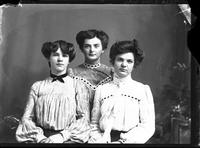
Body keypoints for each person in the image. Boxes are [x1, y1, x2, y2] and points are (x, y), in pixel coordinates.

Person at [15, 40, 90, 143]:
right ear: (49, 58)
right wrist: (40, 138)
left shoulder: (78, 86)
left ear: (69, 60)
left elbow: (84, 120)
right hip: (41, 140)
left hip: (68, 140)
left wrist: (61, 136)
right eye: (55, 55)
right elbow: (26, 119)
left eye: (64, 56)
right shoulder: (37, 86)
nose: (60, 59)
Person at [89, 38, 155, 143]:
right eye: (120, 59)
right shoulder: (101, 90)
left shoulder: (142, 90)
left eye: (129, 61)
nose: (124, 65)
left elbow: (147, 126)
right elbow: (94, 125)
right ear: (113, 61)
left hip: (130, 141)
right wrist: (100, 140)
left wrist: (123, 142)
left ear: (134, 64)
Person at [69, 29, 113, 124]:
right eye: (87, 46)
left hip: (105, 125)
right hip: (78, 125)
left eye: (96, 46)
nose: (92, 50)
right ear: (81, 49)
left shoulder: (112, 73)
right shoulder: (72, 74)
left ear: (103, 49)